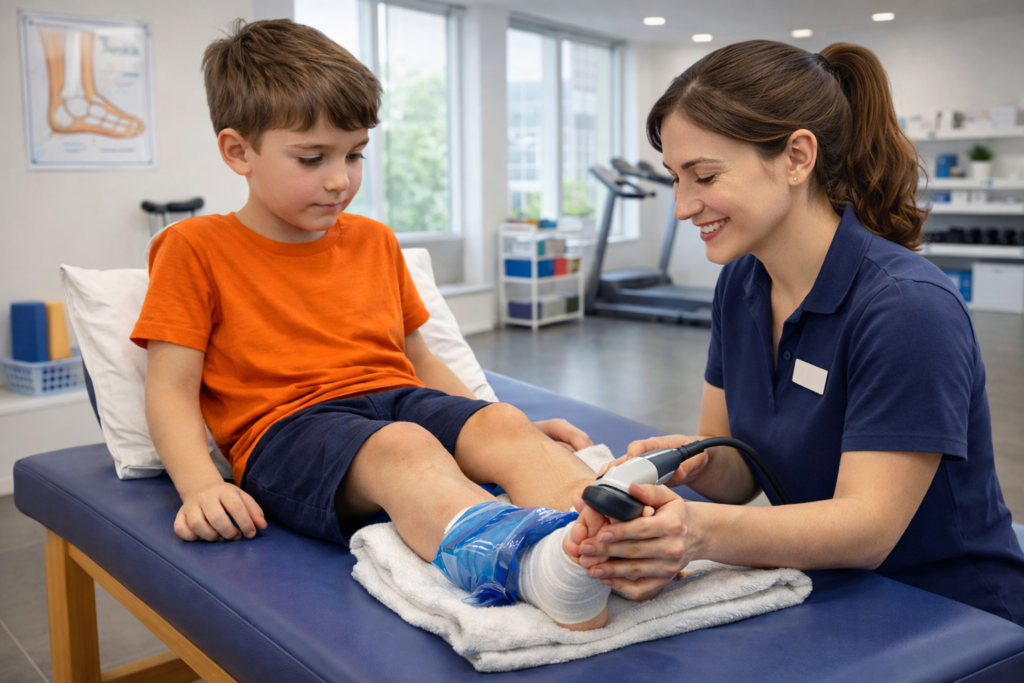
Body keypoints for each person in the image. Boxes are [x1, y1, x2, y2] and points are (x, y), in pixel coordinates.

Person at [132, 19, 610, 630]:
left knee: (505, 422)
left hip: (396, 397)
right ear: (237, 151)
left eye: (354, 153)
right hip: (287, 431)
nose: (341, 179)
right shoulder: (192, 247)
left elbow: (422, 357)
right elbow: (170, 386)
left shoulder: (375, 240)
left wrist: (480, 420)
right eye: (313, 158)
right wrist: (200, 486)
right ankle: (535, 568)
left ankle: (623, 541)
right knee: (402, 448)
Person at [566, 40, 1024, 624]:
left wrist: (699, 531)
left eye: (703, 175)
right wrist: (694, 463)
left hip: (950, 609)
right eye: (676, 179)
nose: (682, 206)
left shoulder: (907, 309)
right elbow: (738, 475)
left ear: (797, 157)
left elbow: (868, 529)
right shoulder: (741, 285)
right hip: (821, 587)